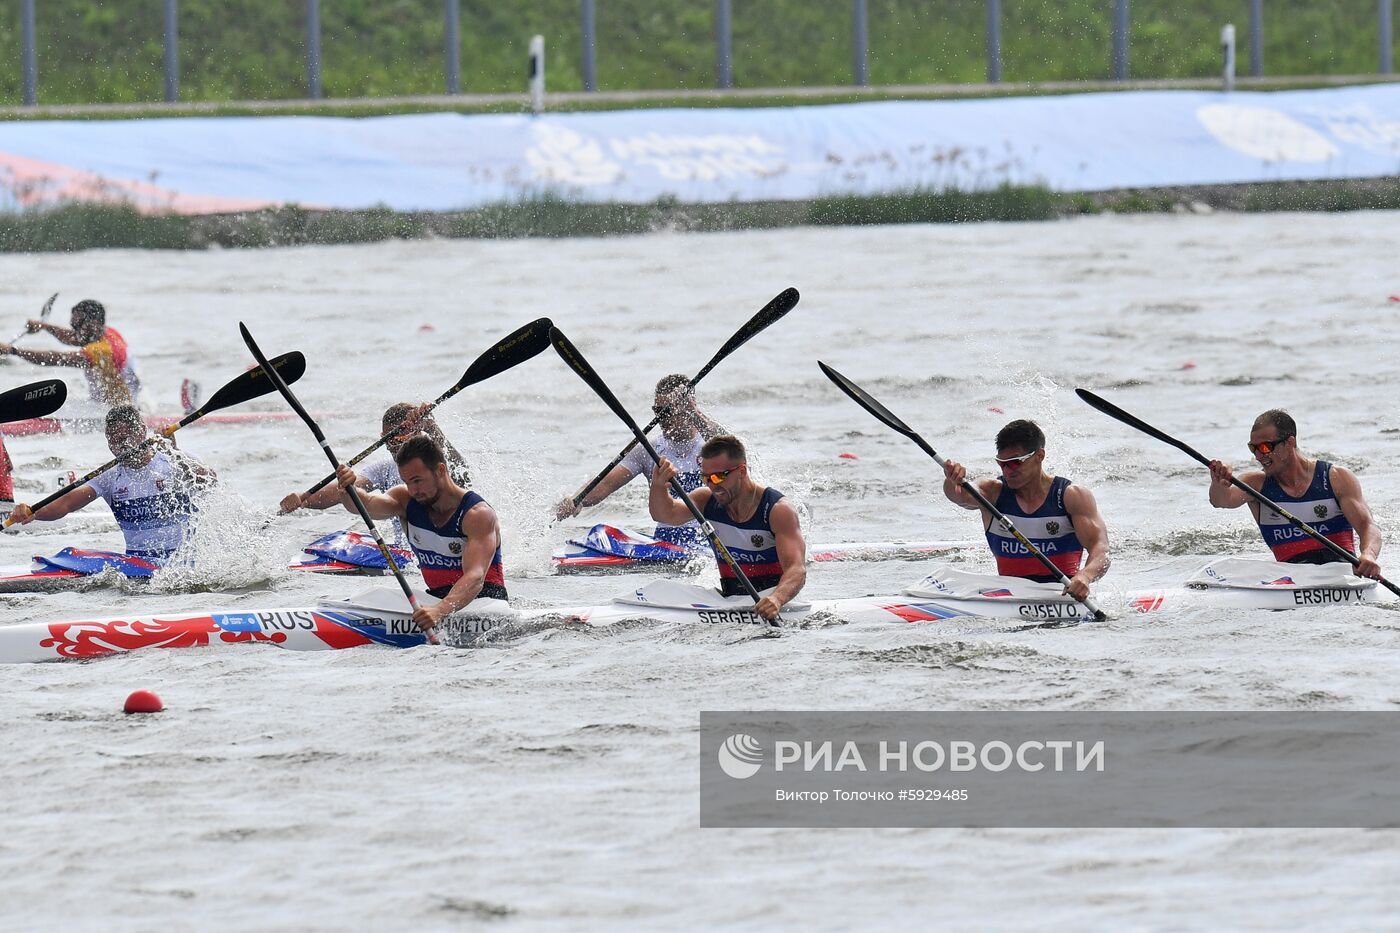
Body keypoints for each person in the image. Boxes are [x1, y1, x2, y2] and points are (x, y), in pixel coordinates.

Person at [334, 434, 505, 635]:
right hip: (435, 602)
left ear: (441, 470)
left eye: (417, 481)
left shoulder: (477, 515)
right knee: (373, 595)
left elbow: (475, 577)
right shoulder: (405, 500)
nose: (413, 490)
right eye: (407, 482)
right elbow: (364, 505)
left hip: (484, 606)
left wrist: (440, 611)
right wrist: (347, 489)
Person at [8, 405, 215, 562]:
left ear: (142, 431)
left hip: (186, 561)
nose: (120, 447)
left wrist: (174, 452)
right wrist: (32, 511)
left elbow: (210, 482)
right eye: (113, 440)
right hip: (139, 564)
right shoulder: (109, 476)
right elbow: (65, 504)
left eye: (125, 438)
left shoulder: (176, 460)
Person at [941, 419, 1109, 600]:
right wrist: (952, 481)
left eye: (1015, 462)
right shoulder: (992, 492)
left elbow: (1101, 550)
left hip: (1061, 596)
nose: (1007, 471)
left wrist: (1085, 576)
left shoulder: (1071, 496)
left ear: (1039, 455)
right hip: (1009, 596)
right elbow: (960, 496)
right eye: (1002, 464)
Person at [648, 434, 805, 621]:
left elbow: (797, 569)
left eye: (718, 476)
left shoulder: (777, 510)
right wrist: (658, 485)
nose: (712, 485)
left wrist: (777, 599)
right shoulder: (705, 500)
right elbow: (665, 514)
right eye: (705, 477)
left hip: (770, 602)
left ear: (742, 471)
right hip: (729, 599)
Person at [1207, 409, 1382, 578]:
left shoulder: (1335, 478)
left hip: (1340, 574)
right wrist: (1218, 482)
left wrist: (1369, 555)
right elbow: (1222, 500)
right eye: (1254, 448)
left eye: (1266, 447)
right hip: (1291, 579)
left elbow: (1368, 526)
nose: (1259, 456)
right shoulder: (1255, 484)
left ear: (1290, 442)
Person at [556, 374, 724, 549]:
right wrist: (577, 499)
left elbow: (734, 451)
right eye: (657, 411)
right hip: (667, 543)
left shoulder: (712, 444)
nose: (661, 420)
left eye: (667, 412)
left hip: (710, 538)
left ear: (686, 409)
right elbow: (606, 483)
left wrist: (694, 412)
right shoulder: (648, 449)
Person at [280, 402, 470, 514]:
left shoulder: (435, 466)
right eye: (387, 438)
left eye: (400, 437)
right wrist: (303, 500)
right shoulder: (385, 468)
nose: (393, 445)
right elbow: (343, 492)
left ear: (418, 434)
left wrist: (433, 429)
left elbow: (463, 478)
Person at [0, 299, 142, 407]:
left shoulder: (102, 351)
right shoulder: (106, 332)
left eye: (77, 326)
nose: (75, 331)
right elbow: (72, 338)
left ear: (93, 324)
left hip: (118, 408)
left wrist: (13, 351)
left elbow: (55, 359)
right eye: (74, 326)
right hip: (109, 403)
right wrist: (44, 326)